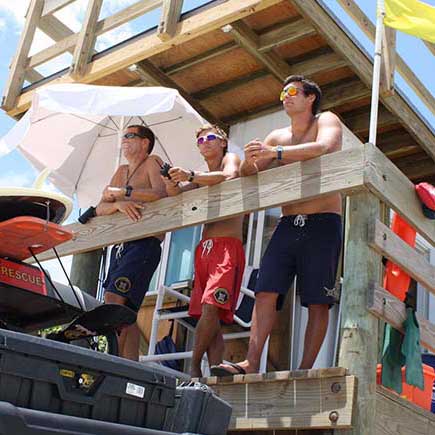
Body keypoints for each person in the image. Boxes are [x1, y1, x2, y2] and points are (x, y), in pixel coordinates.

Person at [213, 75, 343, 375]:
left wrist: (276, 154)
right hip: (287, 223)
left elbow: (326, 147)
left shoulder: (326, 120)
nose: (286, 96)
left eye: (293, 91)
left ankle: (304, 369)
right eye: (283, 92)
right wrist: (250, 159)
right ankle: (250, 362)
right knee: (265, 290)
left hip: (324, 222)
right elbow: (249, 174)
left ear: (311, 97)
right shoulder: (276, 135)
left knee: (317, 300)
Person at [162, 124, 244, 378]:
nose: (205, 142)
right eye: (200, 140)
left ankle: (195, 366)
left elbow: (228, 176)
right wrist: (171, 180)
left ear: (223, 142)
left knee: (210, 307)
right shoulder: (199, 177)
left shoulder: (229, 159)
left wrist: (189, 174)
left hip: (226, 247)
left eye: (211, 138)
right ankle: (215, 370)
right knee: (212, 316)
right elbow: (176, 194)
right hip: (205, 250)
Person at [97, 124, 167, 361]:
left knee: (114, 300)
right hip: (121, 246)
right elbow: (100, 206)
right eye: (123, 136)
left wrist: (124, 193)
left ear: (145, 142)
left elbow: (160, 193)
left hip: (144, 243)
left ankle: (110, 360)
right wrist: (117, 204)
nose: (124, 139)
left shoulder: (152, 162)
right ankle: (129, 366)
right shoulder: (121, 170)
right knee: (127, 311)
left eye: (130, 135)